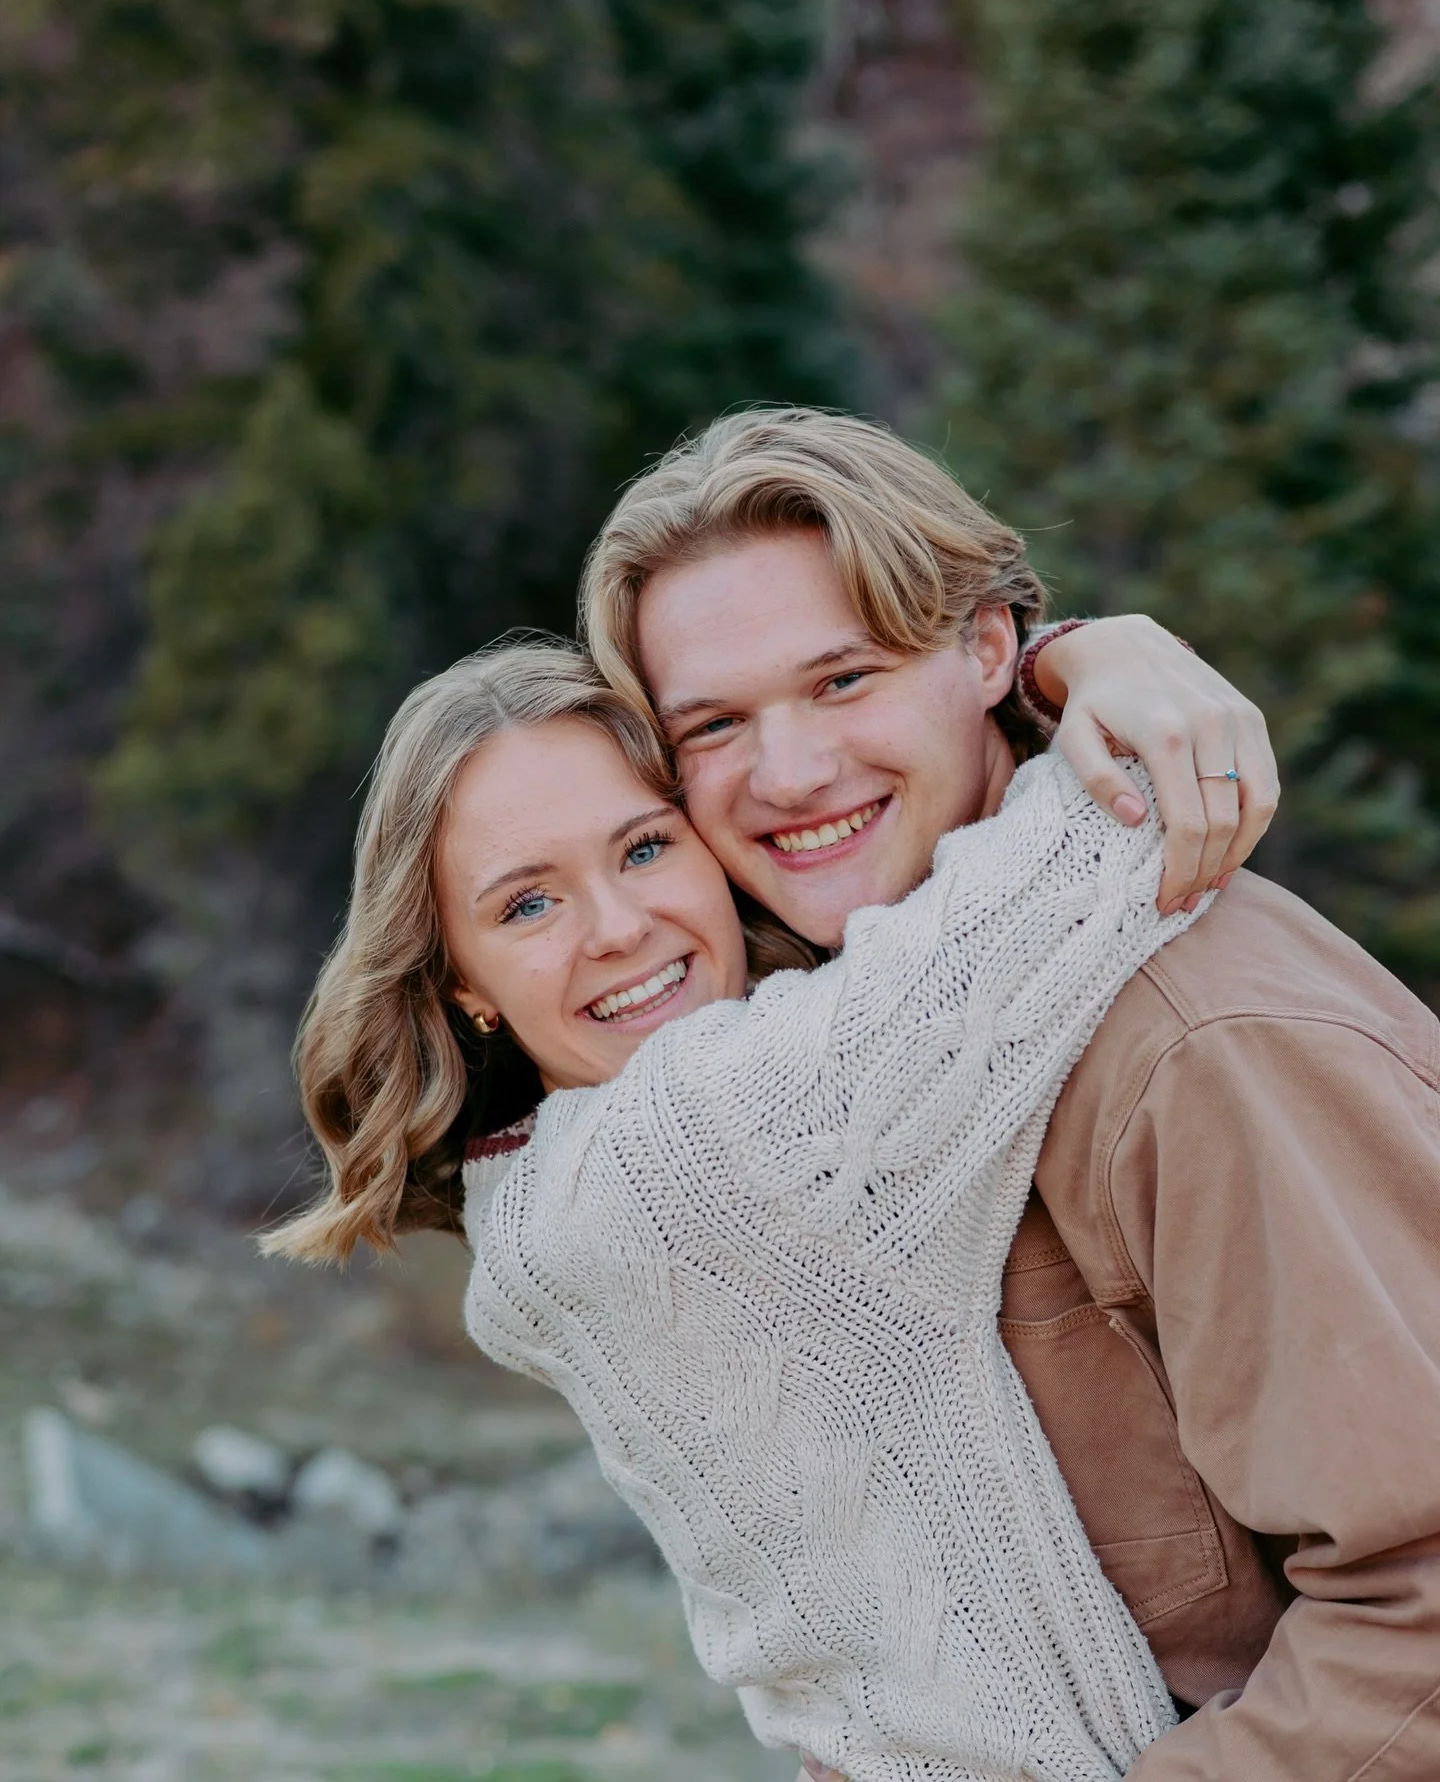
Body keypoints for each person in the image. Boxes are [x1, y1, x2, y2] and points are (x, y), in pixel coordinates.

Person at [573, 408, 1440, 1779]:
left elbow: (1422, 1620)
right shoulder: (832, 1051)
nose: (789, 774)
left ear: (985, 651)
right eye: (716, 725)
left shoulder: (1192, 1040)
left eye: (845, 680)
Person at [272, 637, 1211, 1782]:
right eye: (528, 904)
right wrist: (1069, 663)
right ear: (461, 979)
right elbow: (1123, 828)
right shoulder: (691, 1146)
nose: (618, 927)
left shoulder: (529, 1185)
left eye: (645, 847)